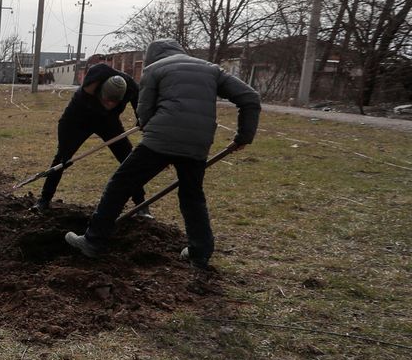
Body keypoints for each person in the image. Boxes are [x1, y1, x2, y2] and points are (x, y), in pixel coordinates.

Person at [65, 39, 260, 270]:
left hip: (161, 138)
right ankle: (200, 254)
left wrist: (157, 145)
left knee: (120, 184)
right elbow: (250, 98)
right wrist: (244, 136)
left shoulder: (154, 69)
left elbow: (144, 112)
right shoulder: (211, 69)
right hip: (198, 143)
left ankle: (93, 241)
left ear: (151, 57)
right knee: (192, 197)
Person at [33, 65, 148, 215]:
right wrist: (65, 148)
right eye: (107, 101)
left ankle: (141, 205)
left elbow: (140, 103)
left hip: (108, 123)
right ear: (99, 92)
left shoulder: (130, 88)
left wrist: (141, 117)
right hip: (78, 121)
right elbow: (66, 123)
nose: (110, 105)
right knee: (62, 159)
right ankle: (44, 200)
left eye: (115, 103)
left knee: (128, 159)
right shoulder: (90, 86)